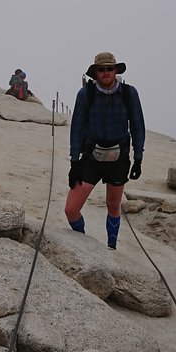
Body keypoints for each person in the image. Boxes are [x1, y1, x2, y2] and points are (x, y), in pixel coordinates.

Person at [65, 51, 145, 249]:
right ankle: (83, 243)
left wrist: (138, 159)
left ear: (116, 70)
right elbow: (77, 128)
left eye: (110, 68)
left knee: (112, 205)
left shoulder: (129, 93)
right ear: (95, 73)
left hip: (119, 159)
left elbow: (137, 125)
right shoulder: (86, 94)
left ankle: (111, 246)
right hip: (91, 158)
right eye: (102, 69)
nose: (106, 72)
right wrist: (74, 162)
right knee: (71, 209)